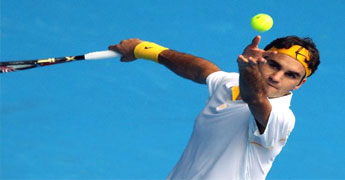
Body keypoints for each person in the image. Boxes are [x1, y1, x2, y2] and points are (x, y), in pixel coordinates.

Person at [108, 35, 320, 180]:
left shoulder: (282, 117)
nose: (276, 77)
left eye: (291, 75)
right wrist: (144, 49)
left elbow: (254, 98)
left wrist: (247, 70)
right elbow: (201, 70)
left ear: (299, 84)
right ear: (262, 59)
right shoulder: (229, 84)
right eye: (274, 65)